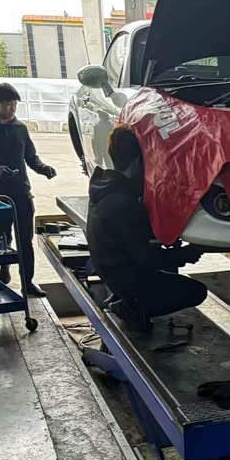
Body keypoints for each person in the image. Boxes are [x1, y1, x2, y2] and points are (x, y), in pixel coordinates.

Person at [87, 125, 207, 330]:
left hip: (111, 269)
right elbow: (147, 259)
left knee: (168, 268)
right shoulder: (124, 203)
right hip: (126, 277)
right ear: (137, 162)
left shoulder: (105, 188)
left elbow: (133, 240)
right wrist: (185, 255)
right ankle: (130, 306)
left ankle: (126, 298)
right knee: (197, 291)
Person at [0, 82, 57, 297]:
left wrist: (43, 168)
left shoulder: (20, 128)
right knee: (3, 236)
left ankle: (28, 282)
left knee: (25, 240)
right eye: (8, 104)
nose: (12, 109)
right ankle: (4, 267)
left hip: (21, 191)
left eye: (15, 105)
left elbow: (30, 156)